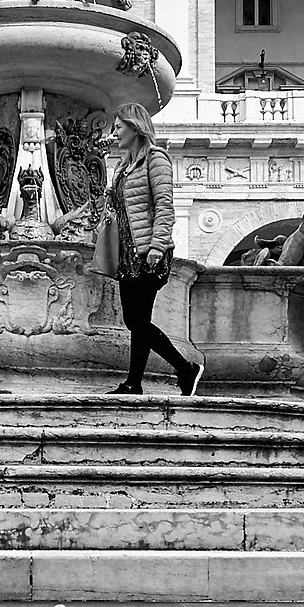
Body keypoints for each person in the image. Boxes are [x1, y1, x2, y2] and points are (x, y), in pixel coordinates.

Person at [102, 102, 201, 396]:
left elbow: (164, 206)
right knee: (136, 320)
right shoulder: (123, 165)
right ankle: (135, 382)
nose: (115, 132)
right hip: (127, 253)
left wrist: (157, 246)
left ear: (135, 127)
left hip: (147, 252)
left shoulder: (156, 159)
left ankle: (185, 368)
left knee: (136, 320)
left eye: (119, 127)